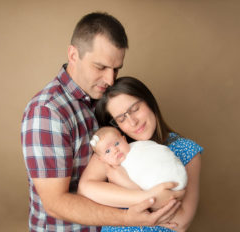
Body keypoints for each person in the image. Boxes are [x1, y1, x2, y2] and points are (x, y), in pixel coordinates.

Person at [21, 12, 182, 232]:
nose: (110, 80)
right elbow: (56, 204)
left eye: (116, 69)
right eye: (101, 67)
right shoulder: (47, 112)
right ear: (73, 55)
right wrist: (130, 217)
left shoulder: (106, 101)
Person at [78, 76, 204, 232]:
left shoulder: (186, 149)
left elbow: (181, 222)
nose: (132, 122)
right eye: (121, 118)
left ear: (149, 101)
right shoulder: (116, 150)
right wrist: (149, 197)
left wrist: (126, 185)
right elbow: (85, 189)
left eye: (135, 109)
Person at [88, 126, 187, 194]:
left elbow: (160, 153)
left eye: (117, 144)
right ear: (102, 159)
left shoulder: (141, 146)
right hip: (153, 193)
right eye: (108, 151)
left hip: (172, 176)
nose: (115, 150)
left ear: (124, 140)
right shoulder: (113, 173)